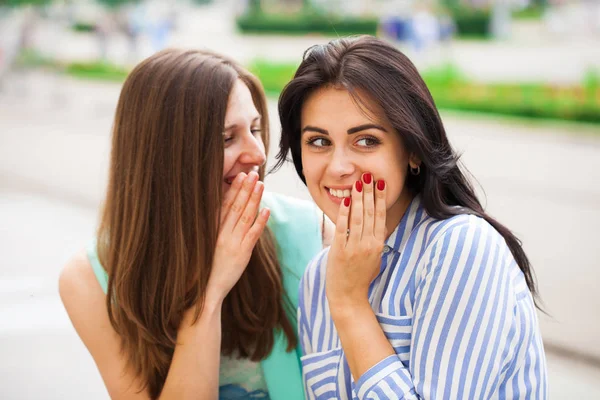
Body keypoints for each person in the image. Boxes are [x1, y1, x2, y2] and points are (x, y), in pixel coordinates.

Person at [275, 36, 548, 399]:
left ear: (413, 151)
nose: (338, 167)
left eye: (366, 140)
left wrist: (349, 304)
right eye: (319, 142)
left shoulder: (462, 247)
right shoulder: (316, 278)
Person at [59, 49, 327, 400]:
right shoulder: (90, 279)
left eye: (255, 129)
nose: (258, 154)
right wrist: (211, 291)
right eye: (226, 138)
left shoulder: (310, 232)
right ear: (166, 157)